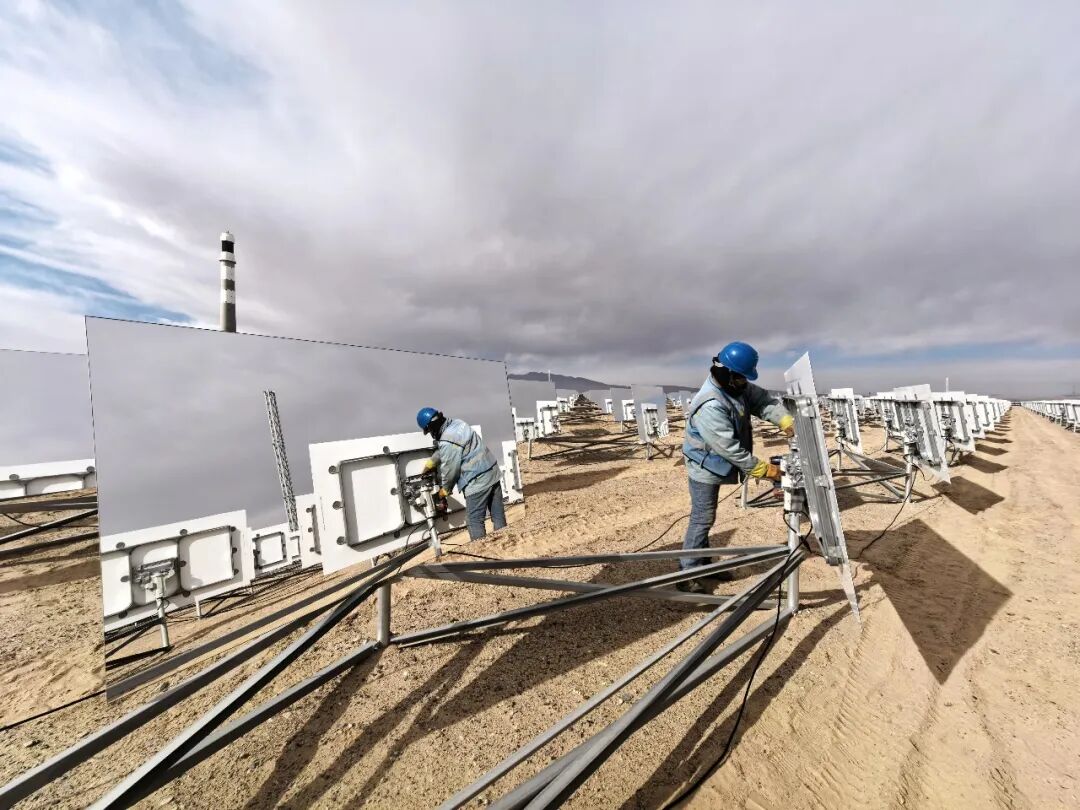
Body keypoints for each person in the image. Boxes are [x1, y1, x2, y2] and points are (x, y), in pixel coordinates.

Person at [677, 341, 795, 594]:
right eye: (741, 378)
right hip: (704, 465)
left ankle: (704, 564)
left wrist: (785, 420)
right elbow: (729, 449)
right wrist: (764, 470)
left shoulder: (736, 385)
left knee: (706, 517)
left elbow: (762, 400)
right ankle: (687, 572)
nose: (745, 382)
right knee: (702, 517)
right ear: (727, 373)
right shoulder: (710, 404)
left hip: (717, 461)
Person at [417, 407, 507, 540]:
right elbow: (451, 446)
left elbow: (450, 470)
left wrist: (444, 491)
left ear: (430, 427)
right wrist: (432, 462)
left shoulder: (447, 441)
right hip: (492, 472)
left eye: (429, 431)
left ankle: (481, 549)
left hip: (477, 482)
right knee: (498, 515)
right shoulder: (458, 423)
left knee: (474, 520)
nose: (431, 433)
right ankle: (507, 542)